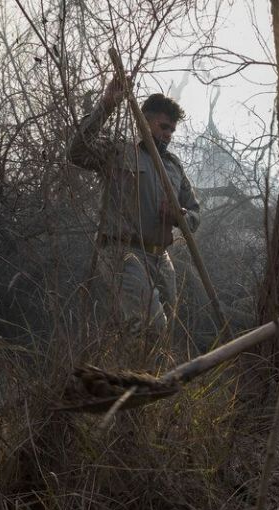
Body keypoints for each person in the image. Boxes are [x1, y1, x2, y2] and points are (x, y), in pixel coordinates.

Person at [66, 75, 201, 355]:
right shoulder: (118, 151)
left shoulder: (173, 167)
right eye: (163, 127)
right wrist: (107, 105)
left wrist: (180, 216)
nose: (167, 135)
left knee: (162, 333)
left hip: (161, 257)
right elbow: (76, 152)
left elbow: (195, 212)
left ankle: (144, 385)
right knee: (152, 325)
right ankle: (132, 385)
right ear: (144, 121)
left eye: (171, 131)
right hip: (122, 252)